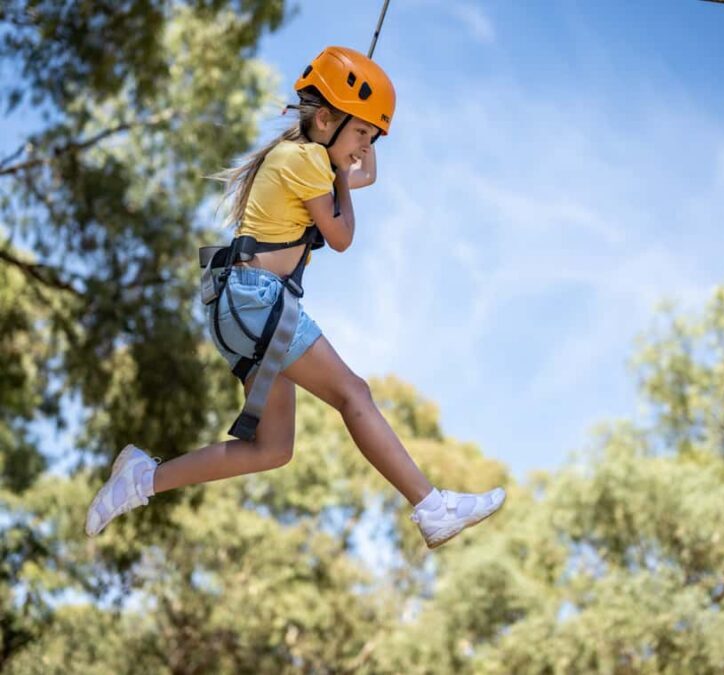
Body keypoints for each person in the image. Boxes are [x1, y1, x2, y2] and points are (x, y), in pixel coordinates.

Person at [85, 46, 505, 549]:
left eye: (371, 138)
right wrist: (341, 176)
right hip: (256, 301)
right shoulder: (305, 159)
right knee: (354, 394)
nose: (363, 147)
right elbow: (343, 234)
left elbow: (362, 175)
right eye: (361, 134)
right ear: (324, 119)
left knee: (272, 449)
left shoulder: (306, 160)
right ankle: (430, 506)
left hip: (237, 310)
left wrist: (352, 153)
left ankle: (142, 479)